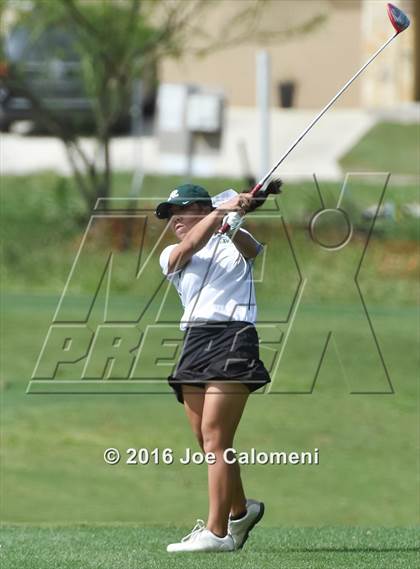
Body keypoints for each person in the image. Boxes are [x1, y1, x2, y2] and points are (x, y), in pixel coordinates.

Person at [156, 183, 271, 553]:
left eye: (182, 210)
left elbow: (253, 250)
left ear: (202, 208)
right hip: (194, 343)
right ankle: (241, 510)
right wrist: (221, 213)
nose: (175, 219)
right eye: (170, 214)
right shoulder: (172, 252)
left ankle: (217, 532)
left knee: (215, 437)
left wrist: (234, 219)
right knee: (206, 441)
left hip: (234, 337)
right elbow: (186, 251)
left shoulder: (231, 238)